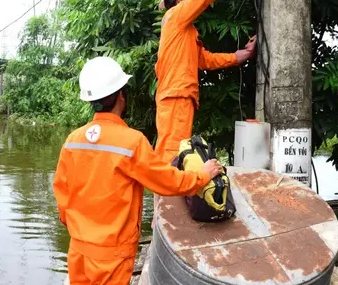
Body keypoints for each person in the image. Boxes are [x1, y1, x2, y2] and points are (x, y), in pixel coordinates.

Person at [53, 56, 223, 285]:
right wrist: (202, 175)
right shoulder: (131, 143)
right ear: (122, 96)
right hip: (112, 256)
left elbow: (62, 196)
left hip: (79, 250)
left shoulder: (73, 141)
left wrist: (80, 229)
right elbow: (167, 181)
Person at [152, 0, 257, 226]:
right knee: (170, 158)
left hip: (180, 97)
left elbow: (205, 60)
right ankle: (164, 220)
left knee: (177, 157)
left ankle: (168, 217)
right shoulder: (176, 16)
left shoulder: (185, 31)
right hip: (176, 96)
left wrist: (238, 56)